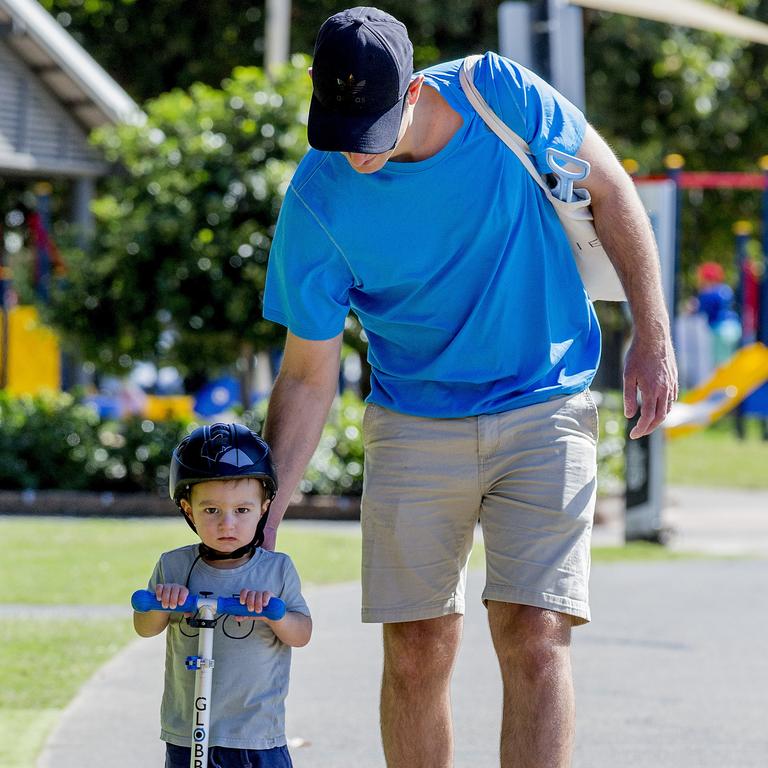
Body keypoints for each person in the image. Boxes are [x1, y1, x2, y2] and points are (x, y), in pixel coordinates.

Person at [261, 7, 677, 767]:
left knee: (535, 634)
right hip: (414, 421)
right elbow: (306, 371)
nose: (355, 153)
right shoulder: (318, 199)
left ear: (415, 90)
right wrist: (267, 513)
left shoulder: (500, 95)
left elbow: (614, 192)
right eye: (339, 130)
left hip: (544, 401)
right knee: (417, 648)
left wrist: (652, 335)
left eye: (371, 131)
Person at [133, 423, 312, 768]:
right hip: (187, 734)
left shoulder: (275, 570)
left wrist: (273, 615)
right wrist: (163, 600)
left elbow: (302, 633)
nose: (227, 524)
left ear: (263, 508)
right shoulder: (173, 565)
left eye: (242, 510)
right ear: (188, 509)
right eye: (211, 510)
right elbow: (144, 626)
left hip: (255, 736)